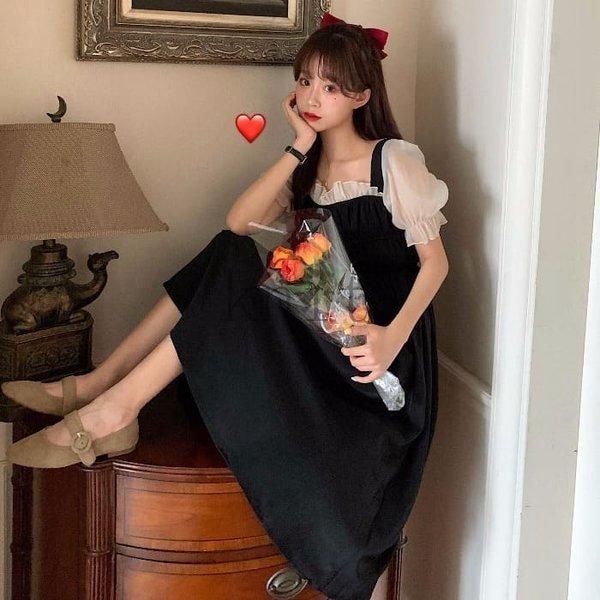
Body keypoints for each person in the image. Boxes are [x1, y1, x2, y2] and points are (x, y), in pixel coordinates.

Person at [2, 12, 449, 600]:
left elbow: (435, 264)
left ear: (362, 96)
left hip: (378, 360)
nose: (313, 97)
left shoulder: (392, 161)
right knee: (230, 252)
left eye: (331, 87)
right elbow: (238, 223)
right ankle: (101, 388)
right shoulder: (310, 167)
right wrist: (298, 146)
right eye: (305, 81)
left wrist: (391, 338)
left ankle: (110, 409)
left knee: (241, 269)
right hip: (329, 323)